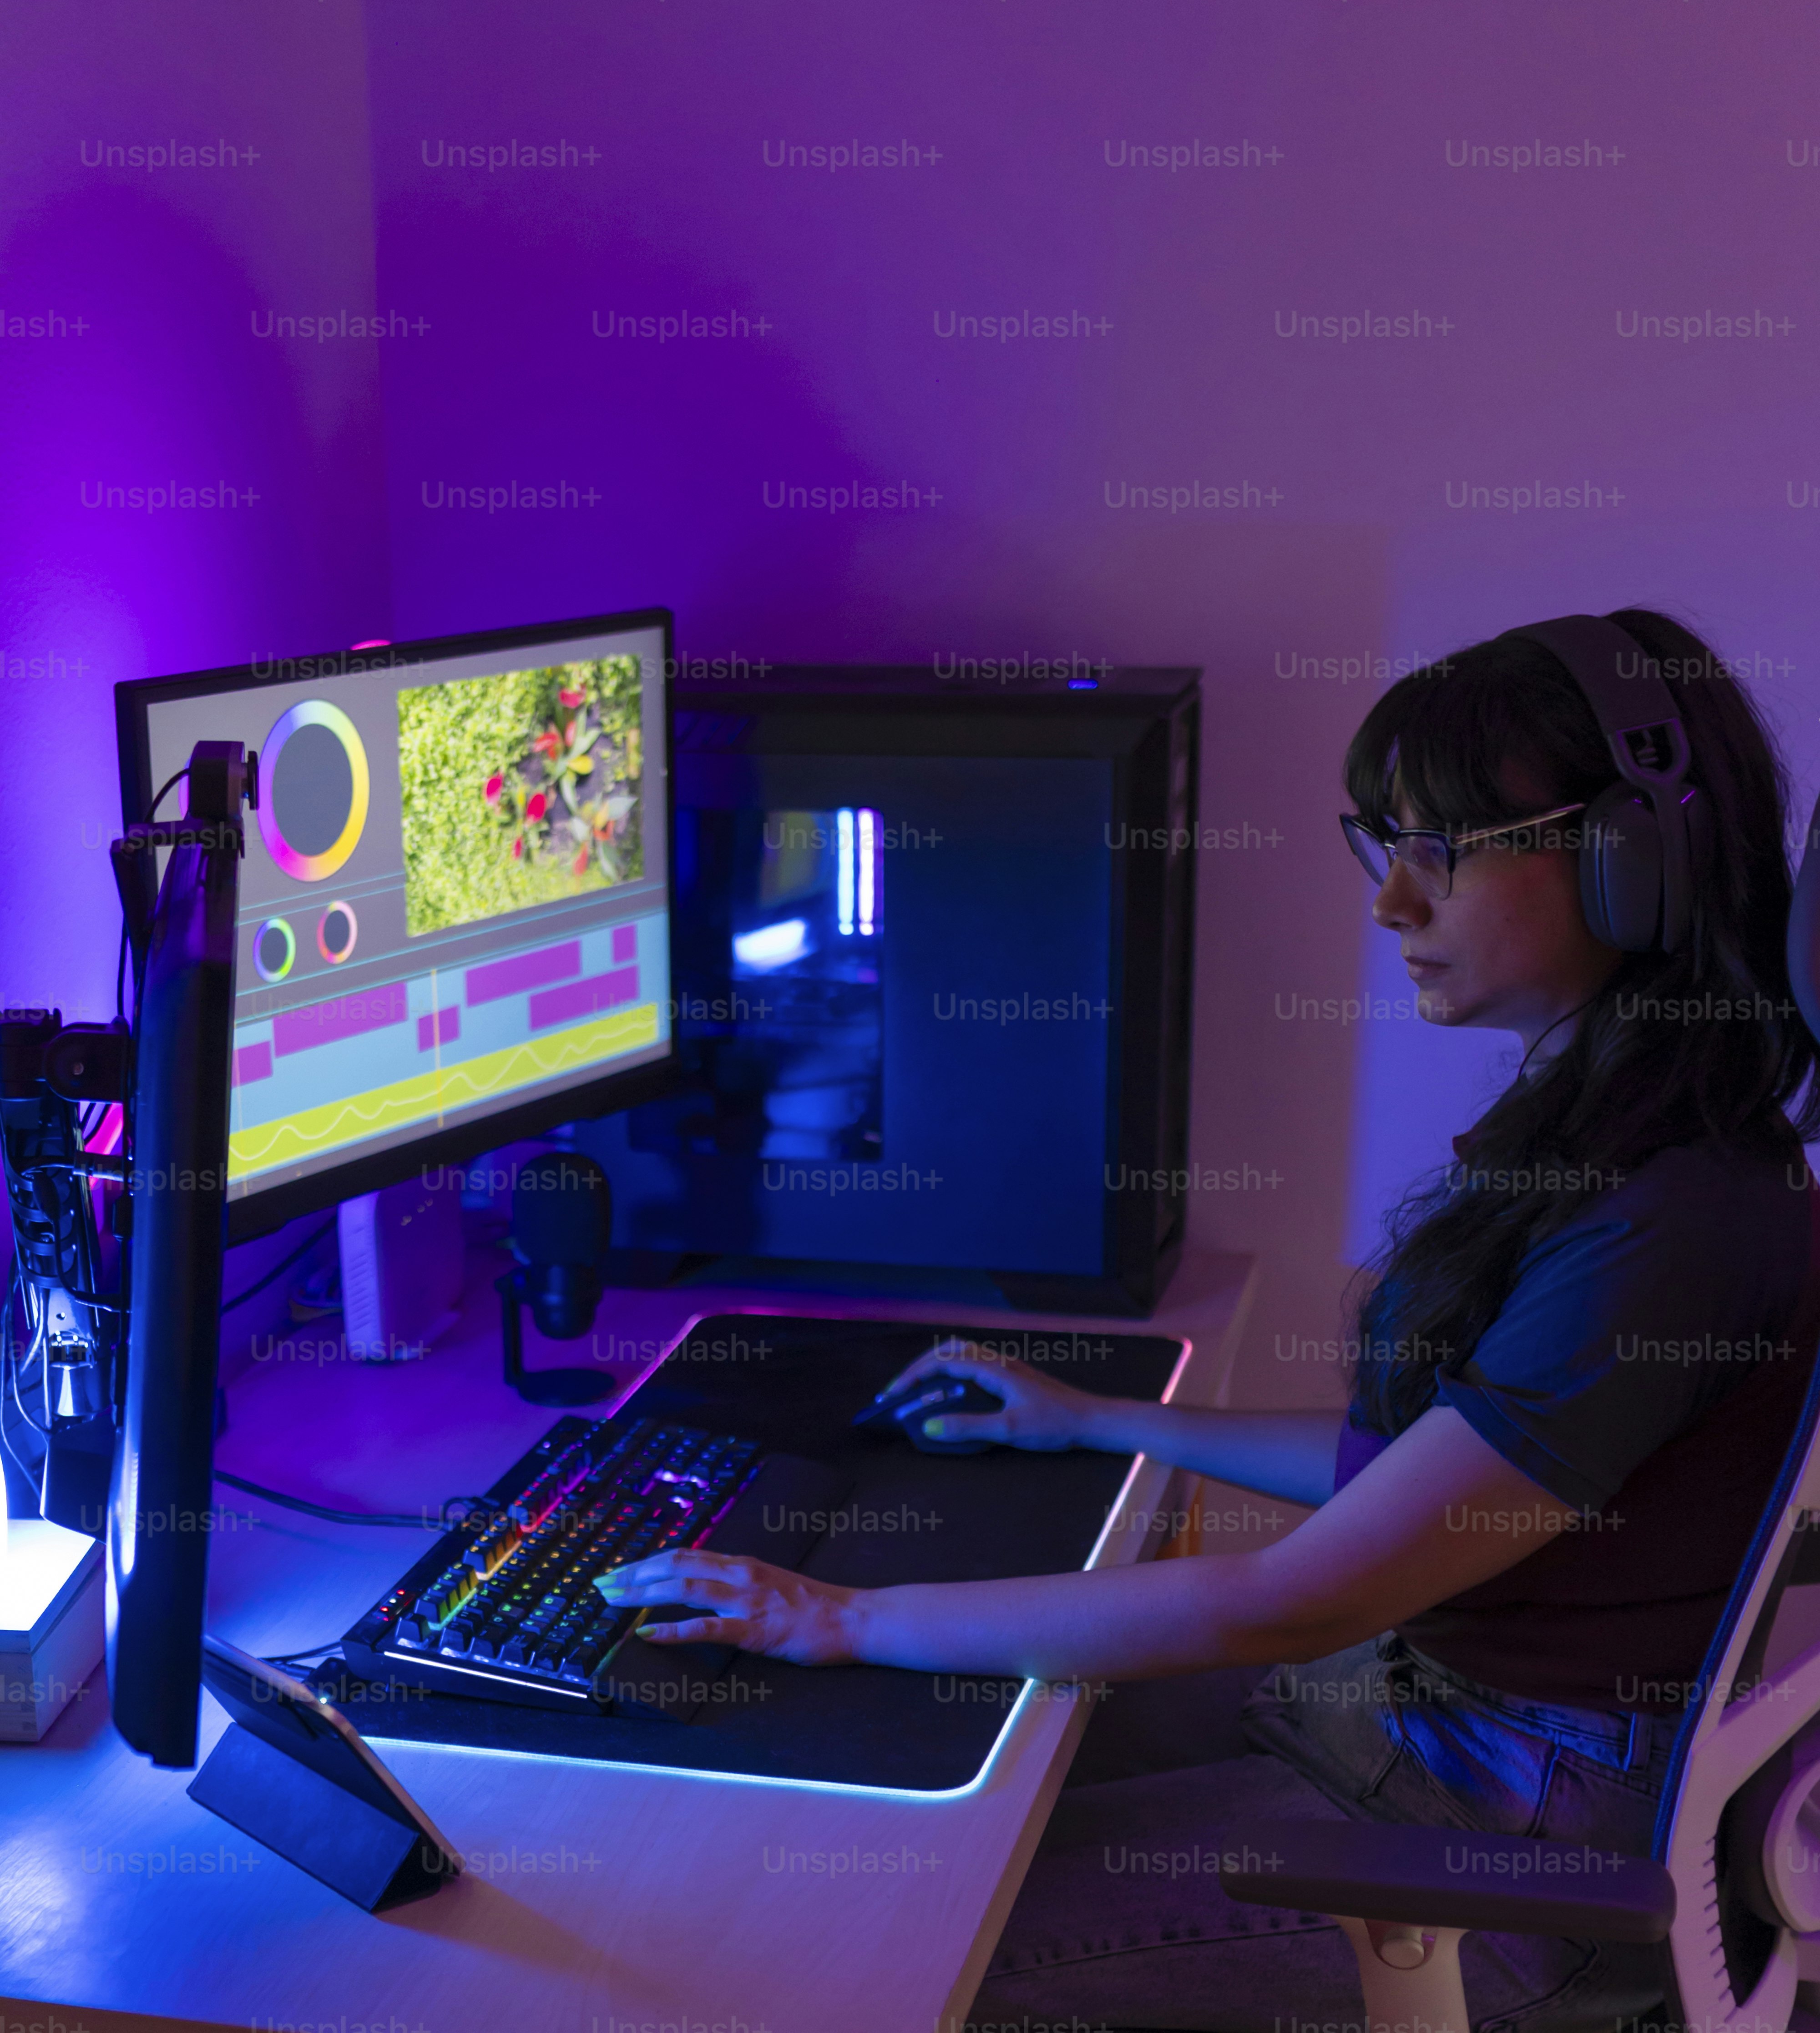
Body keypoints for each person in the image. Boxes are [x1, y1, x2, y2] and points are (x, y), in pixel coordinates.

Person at [597, 606, 1820, 2033]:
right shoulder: (1640, 1141)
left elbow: (1297, 1595)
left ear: (1630, 863)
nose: (1392, 904)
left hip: (1511, 1848)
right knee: (973, 1766)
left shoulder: (1667, 1222)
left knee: (892, 1949)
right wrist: (1109, 1418)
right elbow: (1429, 1466)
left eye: (1446, 851)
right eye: (1384, 844)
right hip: (1436, 1726)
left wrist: (839, 1616)